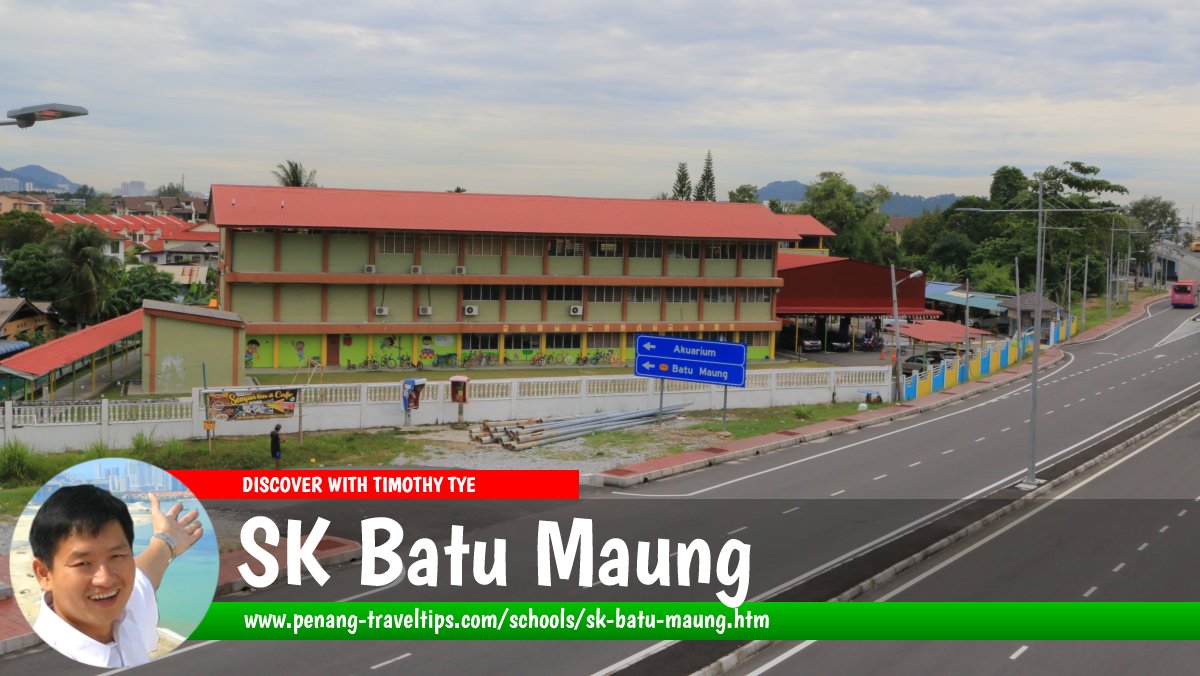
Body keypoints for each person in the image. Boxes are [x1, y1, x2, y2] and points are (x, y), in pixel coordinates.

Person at [30, 485, 202, 668]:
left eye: (116, 556)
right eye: (83, 563)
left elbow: (144, 575)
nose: (105, 579)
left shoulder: (124, 610)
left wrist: (167, 539)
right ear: (44, 574)